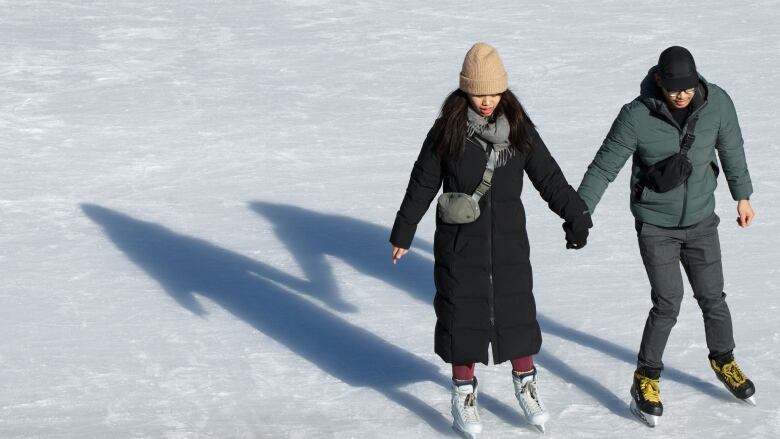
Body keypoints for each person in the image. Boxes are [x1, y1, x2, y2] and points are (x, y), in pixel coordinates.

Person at [389, 42, 592, 436]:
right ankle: (463, 393)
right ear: (465, 90)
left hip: (509, 241)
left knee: (516, 312)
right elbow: (423, 180)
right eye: (479, 93)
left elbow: (547, 175)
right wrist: (404, 230)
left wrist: (575, 212)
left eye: (494, 93)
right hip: (461, 241)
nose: (487, 101)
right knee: (461, 316)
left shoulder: (517, 127)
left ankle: (526, 383)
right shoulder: (448, 129)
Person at [577, 46, 756, 427]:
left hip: (702, 220)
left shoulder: (718, 103)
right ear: (659, 80)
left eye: (687, 88)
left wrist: (742, 195)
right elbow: (604, 165)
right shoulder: (636, 116)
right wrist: (580, 212)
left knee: (713, 297)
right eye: (674, 88)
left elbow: (732, 149)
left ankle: (724, 360)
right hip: (656, 225)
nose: (681, 95)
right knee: (668, 302)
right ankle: (646, 379)